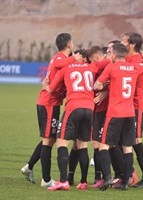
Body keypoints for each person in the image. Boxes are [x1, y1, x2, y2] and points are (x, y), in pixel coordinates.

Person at [44, 47, 110, 191]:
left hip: (73, 107)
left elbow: (51, 89)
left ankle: (63, 181)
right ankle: (84, 181)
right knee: (82, 145)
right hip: (89, 108)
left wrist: (45, 84)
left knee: (61, 142)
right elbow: (107, 61)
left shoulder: (66, 68)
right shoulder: (92, 66)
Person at [20, 33, 80, 187]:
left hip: (50, 103)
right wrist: (75, 58)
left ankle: (29, 167)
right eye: (72, 43)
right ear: (69, 44)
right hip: (48, 103)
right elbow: (60, 64)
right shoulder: (60, 58)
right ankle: (46, 180)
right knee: (48, 140)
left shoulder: (62, 58)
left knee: (50, 139)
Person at [93, 43, 143, 191]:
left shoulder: (111, 67)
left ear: (114, 55)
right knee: (127, 147)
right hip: (130, 113)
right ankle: (124, 183)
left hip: (115, 113)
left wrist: (108, 83)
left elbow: (97, 85)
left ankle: (108, 177)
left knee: (104, 145)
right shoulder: (135, 68)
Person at [121, 32, 143, 188]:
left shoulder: (135, 61)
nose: (122, 42)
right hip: (127, 106)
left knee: (136, 140)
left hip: (137, 106)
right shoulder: (135, 58)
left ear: (132, 44)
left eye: (125, 40)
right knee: (123, 140)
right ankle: (129, 172)